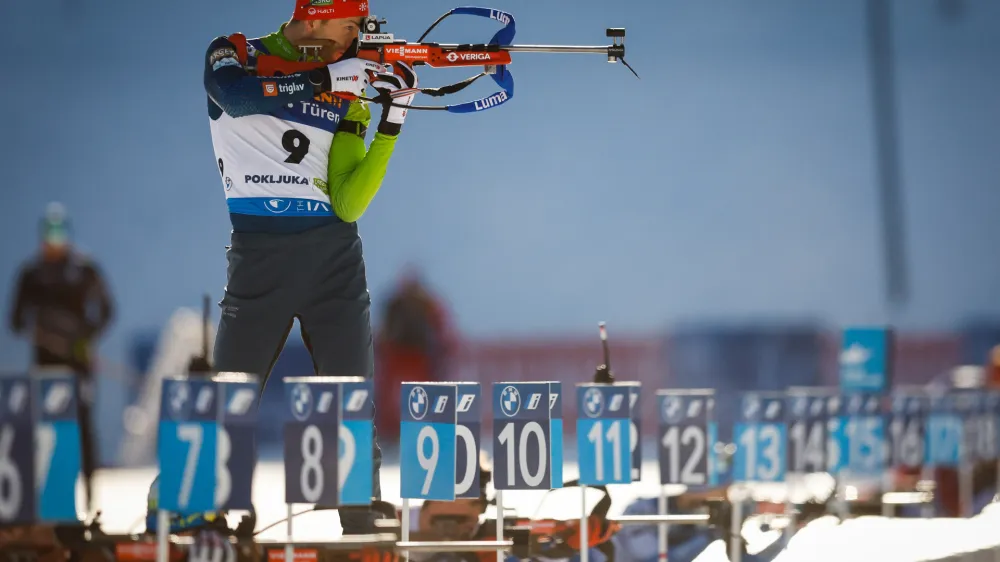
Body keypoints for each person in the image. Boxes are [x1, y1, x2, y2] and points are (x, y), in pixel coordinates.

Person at [178, 0, 419, 536]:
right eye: (349, 26)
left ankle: (361, 517)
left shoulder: (347, 79)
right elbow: (236, 96)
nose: (354, 39)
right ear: (314, 17)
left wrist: (390, 118)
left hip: (333, 253)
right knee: (228, 395)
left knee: (351, 396)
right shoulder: (236, 52)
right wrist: (325, 79)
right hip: (260, 254)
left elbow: (349, 201)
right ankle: (199, 514)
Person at [8, 202, 115, 518]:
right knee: (42, 430)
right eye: (49, 235)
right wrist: (39, 328)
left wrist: (86, 337)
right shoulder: (31, 274)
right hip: (44, 369)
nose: (54, 241)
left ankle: (90, 494)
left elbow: (107, 309)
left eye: (60, 234)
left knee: (82, 427)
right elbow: (15, 320)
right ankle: (42, 496)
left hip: (78, 367)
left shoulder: (84, 269)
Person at [375, 268, 458, 439]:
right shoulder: (402, 303)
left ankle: (420, 429)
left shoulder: (421, 303)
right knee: (396, 394)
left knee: (420, 392)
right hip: (400, 354)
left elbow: (439, 326)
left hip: (415, 355)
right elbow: (385, 328)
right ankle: (393, 430)